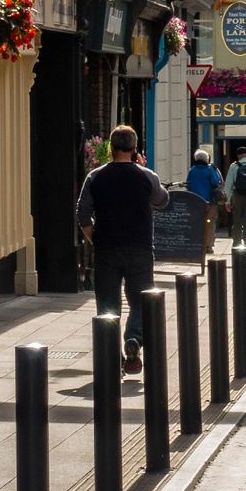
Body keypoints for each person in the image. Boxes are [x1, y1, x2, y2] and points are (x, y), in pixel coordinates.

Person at [75, 124, 171, 375]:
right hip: (139, 247)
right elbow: (163, 201)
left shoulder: (95, 176)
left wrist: (94, 237)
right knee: (140, 301)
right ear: (134, 149)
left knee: (107, 304)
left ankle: (109, 358)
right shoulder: (146, 176)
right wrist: (141, 168)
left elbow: (82, 212)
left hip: (107, 248)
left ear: (111, 148)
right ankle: (135, 339)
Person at [183, 147, 223, 253]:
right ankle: (208, 246)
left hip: (196, 202)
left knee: (198, 223)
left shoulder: (192, 170)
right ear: (207, 159)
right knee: (210, 223)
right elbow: (217, 182)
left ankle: (198, 245)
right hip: (210, 201)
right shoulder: (210, 169)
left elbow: (188, 185)